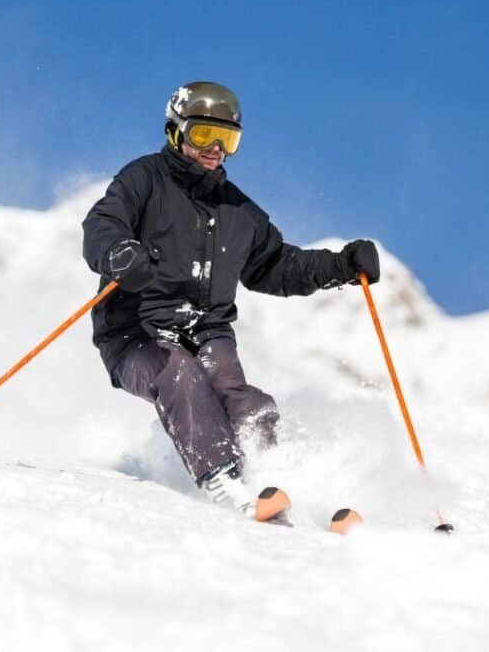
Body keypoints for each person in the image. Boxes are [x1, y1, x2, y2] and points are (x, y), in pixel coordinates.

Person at [82, 81, 380, 516]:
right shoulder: (143, 180)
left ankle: (283, 479)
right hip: (136, 332)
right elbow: (102, 222)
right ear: (176, 132)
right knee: (180, 375)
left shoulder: (238, 211)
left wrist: (341, 266)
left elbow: (277, 265)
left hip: (207, 331)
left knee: (242, 399)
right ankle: (223, 476)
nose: (216, 148)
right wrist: (118, 253)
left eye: (228, 139)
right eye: (205, 135)